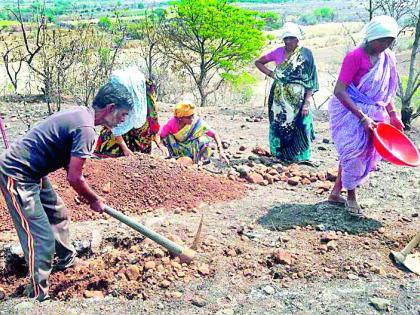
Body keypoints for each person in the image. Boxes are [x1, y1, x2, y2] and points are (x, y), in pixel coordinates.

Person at [0, 81, 133, 301]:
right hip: (18, 173)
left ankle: (66, 261)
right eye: (123, 114)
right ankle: (36, 295)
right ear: (110, 108)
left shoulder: (82, 116)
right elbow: (74, 178)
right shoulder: (86, 129)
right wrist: (93, 199)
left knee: (58, 213)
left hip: (34, 172)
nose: (123, 120)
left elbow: (68, 163)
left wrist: (85, 191)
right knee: (40, 238)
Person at [328, 16, 404, 216]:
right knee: (352, 152)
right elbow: (340, 90)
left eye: (389, 41)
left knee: (358, 153)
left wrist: (393, 115)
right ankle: (351, 196)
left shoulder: (388, 58)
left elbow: (385, 92)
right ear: (371, 38)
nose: (385, 45)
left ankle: (336, 192)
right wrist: (362, 117)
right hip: (349, 110)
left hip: (374, 112)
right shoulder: (355, 56)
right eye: (382, 40)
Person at [255, 22, 318, 163]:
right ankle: (280, 156)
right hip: (279, 99)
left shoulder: (306, 54)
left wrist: (307, 102)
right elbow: (258, 62)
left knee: (302, 124)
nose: (288, 41)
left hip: (300, 99)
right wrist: (271, 74)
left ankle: (301, 157)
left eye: (291, 38)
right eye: (286, 38)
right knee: (280, 125)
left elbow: (311, 80)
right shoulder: (278, 52)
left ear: (298, 39)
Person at [94, 68, 160, 157]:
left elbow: (153, 115)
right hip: (115, 136)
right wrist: (124, 148)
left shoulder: (145, 94)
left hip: (138, 134)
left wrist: (155, 134)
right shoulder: (116, 97)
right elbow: (114, 127)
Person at [158, 101, 229, 164]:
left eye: (193, 115)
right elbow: (160, 135)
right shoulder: (172, 123)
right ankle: (174, 157)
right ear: (180, 117)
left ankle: (197, 161)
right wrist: (161, 145)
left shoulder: (197, 122)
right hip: (177, 146)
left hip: (191, 146)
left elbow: (214, 134)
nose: (192, 119)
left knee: (203, 140)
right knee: (167, 137)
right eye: (188, 117)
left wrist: (221, 151)